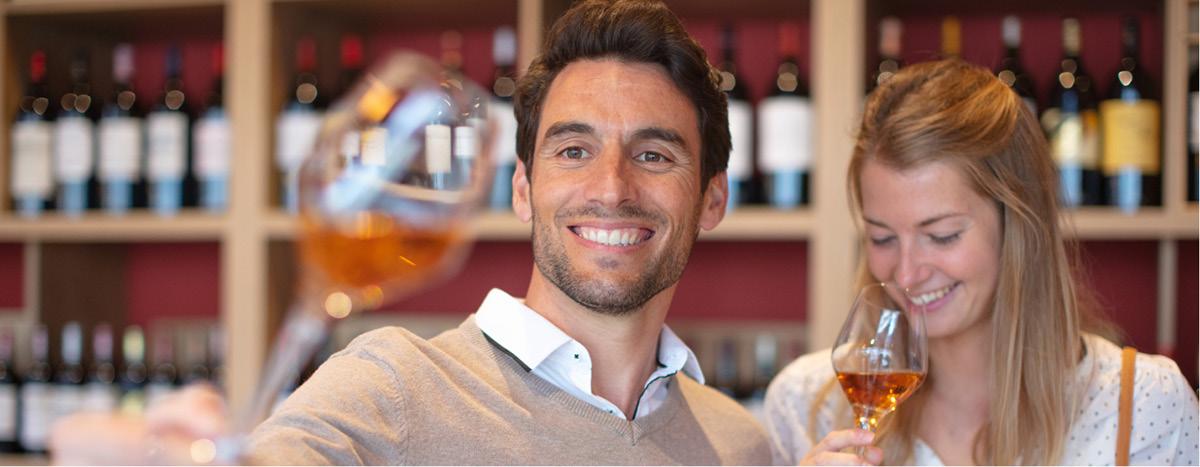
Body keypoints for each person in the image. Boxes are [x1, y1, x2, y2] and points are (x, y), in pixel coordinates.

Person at [48, 0, 773, 464]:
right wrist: (148, 447)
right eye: (574, 150)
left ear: (713, 198)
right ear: (522, 189)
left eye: (654, 155)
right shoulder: (395, 385)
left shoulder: (739, 442)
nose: (611, 188)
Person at [764, 58, 1199, 466]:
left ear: (1019, 229)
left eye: (942, 235)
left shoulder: (1144, 407)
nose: (907, 273)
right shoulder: (807, 404)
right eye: (882, 238)